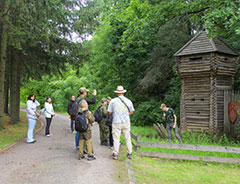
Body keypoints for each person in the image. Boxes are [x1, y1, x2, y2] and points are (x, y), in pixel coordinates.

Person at [108, 86, 134, 160]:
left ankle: (115, 154)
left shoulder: (113, 101)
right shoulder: (128, 101)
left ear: (117, 93)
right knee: (127, 137)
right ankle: (129, 153)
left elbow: (109, 112)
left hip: (116, 121)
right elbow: (132, 111)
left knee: (116, 138)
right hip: (126, 121)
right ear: (123, 92)